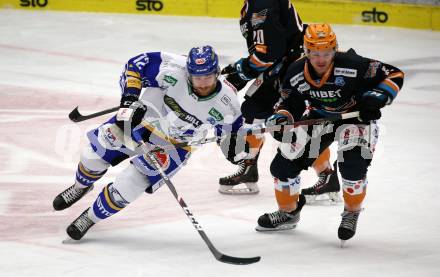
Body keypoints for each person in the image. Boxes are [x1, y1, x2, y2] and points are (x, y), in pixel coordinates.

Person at [52, 46, 245, 240]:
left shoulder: (227, 103)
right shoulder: (172, 68)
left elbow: (229, 134)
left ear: (217, 73)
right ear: (188, 73)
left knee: (128, 186)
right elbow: (135, 65)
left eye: (208, 78)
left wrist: (234, 151)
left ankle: (90, 217)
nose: (203, 84)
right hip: (140, 121)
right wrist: (129, 100)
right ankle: (80, 187)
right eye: (197, 78)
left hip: (176, 145)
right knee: (92, 157)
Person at [256, 23, 404, 244]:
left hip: (355, 119)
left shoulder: (354, 65)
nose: (321, 59)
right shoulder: (296, 72)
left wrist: (378, 96)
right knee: (282, 165)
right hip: (320, 118)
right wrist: (282, 118)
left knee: (352, 167)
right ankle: (288, 214)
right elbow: (290, 101)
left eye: (326, 53)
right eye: (315, 54)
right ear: (306, 52)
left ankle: (351, 212)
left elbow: (394, 74)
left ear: (335, 49)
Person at [218, 0, 339, 198]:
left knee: (292, 125)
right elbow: (271, 47)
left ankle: (327, 176)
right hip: (282, 66)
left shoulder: (262, 4)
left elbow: (268, 54)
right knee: (253, 109)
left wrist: (240, 72)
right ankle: (249, 168)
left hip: (292, 71)